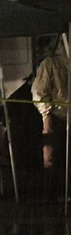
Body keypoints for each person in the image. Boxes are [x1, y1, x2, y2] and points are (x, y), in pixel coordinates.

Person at [32, 39, 68, 198]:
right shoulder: (50, 64)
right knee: (51, 157)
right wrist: (48, 112)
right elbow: (39, 92)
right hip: (55, 115)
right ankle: (50, 195)